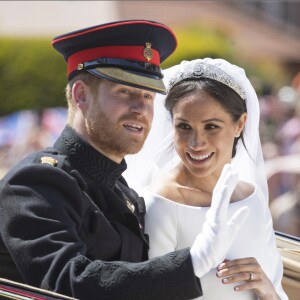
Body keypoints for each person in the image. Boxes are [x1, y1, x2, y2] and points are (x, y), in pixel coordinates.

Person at [0, 20, 249, 300]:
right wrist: (192, 263)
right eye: (124, 92)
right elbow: (68, 283)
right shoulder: (35, 183)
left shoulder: (123, 193)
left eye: (147, 95)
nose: (141, 108)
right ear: (81, 95)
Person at [125, 58, 288, 299]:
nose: (196, 143)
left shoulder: (251, 197)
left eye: (211, 127)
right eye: (184, 127)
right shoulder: (160, 203)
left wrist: (267, 290)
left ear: (240, 124)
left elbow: (275, 287)